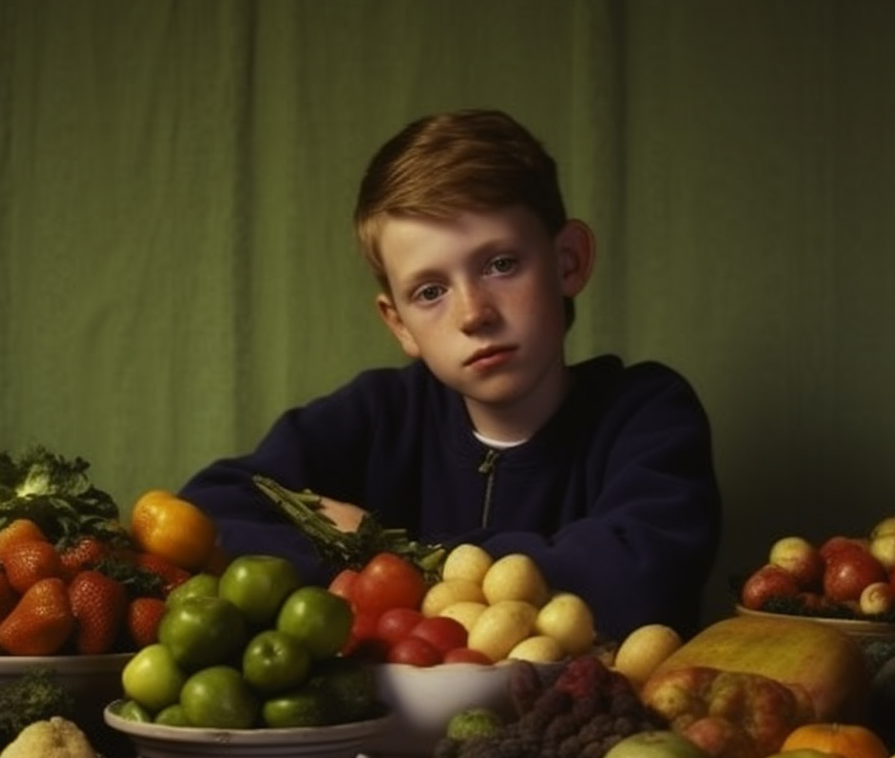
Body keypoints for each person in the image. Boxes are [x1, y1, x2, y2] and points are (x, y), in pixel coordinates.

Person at [178, 108, 721, 640]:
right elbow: (209, 509)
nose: (472, 313)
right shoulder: (380, 414)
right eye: (430, 292)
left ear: (568, 261)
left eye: (500, 264)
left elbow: (638, 582)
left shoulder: (648, 413)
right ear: (401, 324)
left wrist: (388, 555)